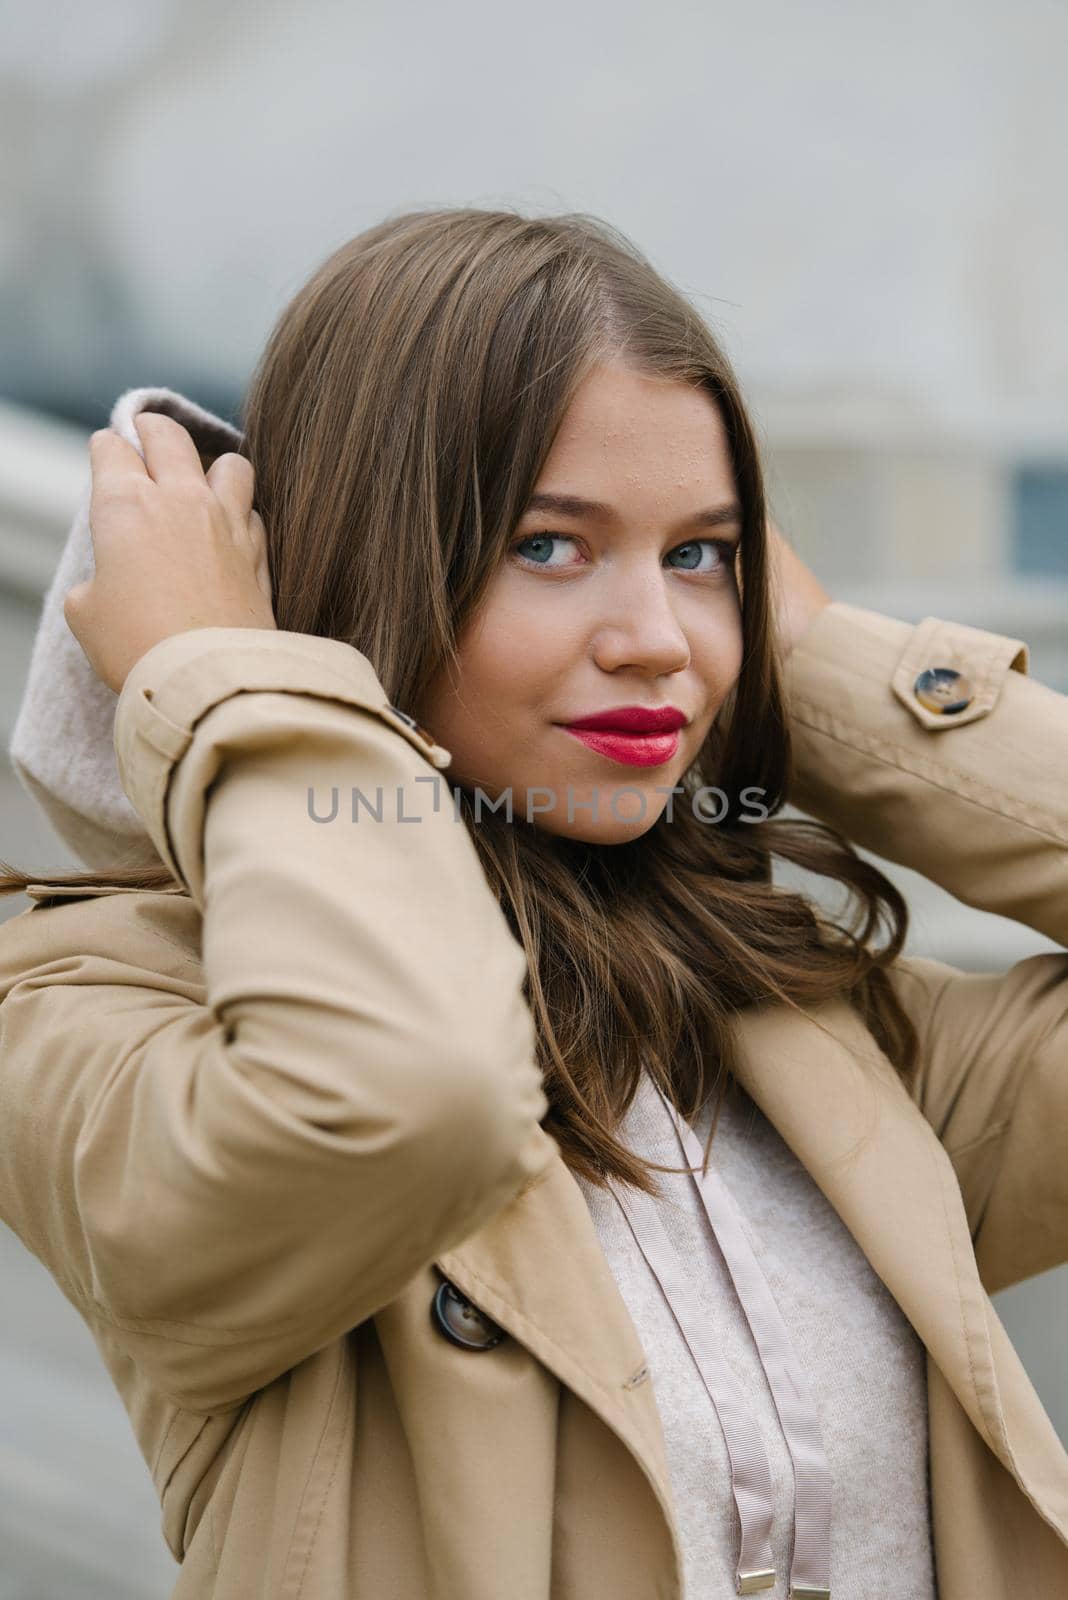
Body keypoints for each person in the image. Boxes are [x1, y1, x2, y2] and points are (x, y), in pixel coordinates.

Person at [0, 206, 1066, 1600]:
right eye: (551, 547)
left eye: (702, 555)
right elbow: (404, 1092)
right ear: (365, 564)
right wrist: (232, 676)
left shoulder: (814, 1031)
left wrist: (825, 667)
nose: (657, 640)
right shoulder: (88, 1008)